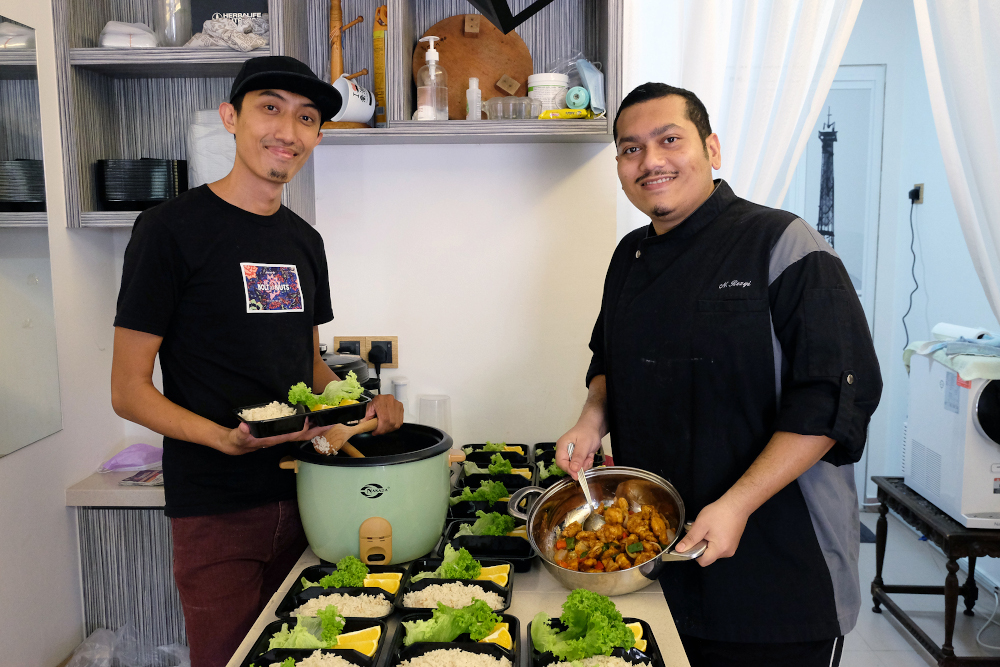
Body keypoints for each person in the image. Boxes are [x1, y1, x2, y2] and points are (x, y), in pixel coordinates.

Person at [555, 83, 882, 667]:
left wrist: (736, 504)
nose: (650, 161)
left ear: (713, 149)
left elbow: (832, 398)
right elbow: (610, 359)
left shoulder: (783, 243)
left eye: (669, 140)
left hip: (777, 563)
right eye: (630, 149)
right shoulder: (628, 257)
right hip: (658, 559)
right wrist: (590, 419)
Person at [110, 56, 403, 667]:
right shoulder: (169, 230)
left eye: (306, 118)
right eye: (269, 107)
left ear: (318, 136)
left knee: (307, 658)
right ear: (230, 119)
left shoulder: (303, 240)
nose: (288, 131)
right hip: (215, 508)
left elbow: (308, 367)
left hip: (307, 499)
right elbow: (128, 390)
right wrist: (222, 439)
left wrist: (360, 401)